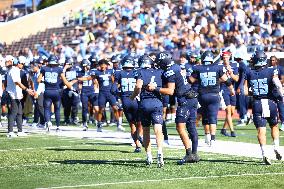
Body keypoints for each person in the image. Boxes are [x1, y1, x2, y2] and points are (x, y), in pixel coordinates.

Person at [148, 52, 200, 165]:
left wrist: (155, 88)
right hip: (192, 97)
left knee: (180, 127)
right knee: (191, 126)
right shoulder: (176, 66)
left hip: (185, 100)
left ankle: (189, 154)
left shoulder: (170, 71)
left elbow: (170, 91)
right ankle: (195, 154)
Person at [189, 51, 235, 147]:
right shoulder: (217, 67)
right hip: (214, 95)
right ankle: (213, 139)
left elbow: (190, 80)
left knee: (205, 116)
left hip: (202, 96)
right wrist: (231, 90)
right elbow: (227, 81)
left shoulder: (198, 68)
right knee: (213, 117)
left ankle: (207, 136)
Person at [244, 50, 282, 165]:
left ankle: (264, 153)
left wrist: (254, 93)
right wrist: (281, 95)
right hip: (270, 102)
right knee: (274, 126)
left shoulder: (249, 72)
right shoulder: (271, 70)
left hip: (257, 103)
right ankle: (276, 147)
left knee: (261, 130)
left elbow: (245, 92)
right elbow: (278, 84)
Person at [130, 55, 164, 167]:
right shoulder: (159, 71)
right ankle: (160, 152)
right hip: (157, 103)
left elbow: (138, 86)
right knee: (158, 129)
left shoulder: (140, 72)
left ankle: (149, 155)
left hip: (145, 103)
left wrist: (133, 96)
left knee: (146, 130)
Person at [37, 55, 73, 132]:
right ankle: (58, 126)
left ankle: (48, 122)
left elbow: (38, 80)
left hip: (47, 91)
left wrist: (45, 82)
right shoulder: (59, 69)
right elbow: (65, 81)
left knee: (47, 108)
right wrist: (72, 88)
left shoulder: (44, 68)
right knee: (57, 109)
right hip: (56, 92)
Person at [116, 56, 142, 152]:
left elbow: (113, 89)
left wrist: (119, 96)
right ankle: (140, 137)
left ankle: (137, 145)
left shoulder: (119, 73)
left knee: (132, 125)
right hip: (136, 99)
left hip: (125, 100)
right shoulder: (137, 72)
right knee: (140, 123)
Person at [5, 55, 34, 137]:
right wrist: (26, 89)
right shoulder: (14, 70)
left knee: (19, 112)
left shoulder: (15, 70)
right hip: (12, 95)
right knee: (13, 112)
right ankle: (10, 132)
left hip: (16, 94)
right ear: (18, 63)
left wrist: (20, 92)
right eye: (22, 64)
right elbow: (17, 82)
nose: (23, 66)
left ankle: (20, 131)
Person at [93, 59, 124, 132]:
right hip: (102, 93)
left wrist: (115, 89)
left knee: (115, 108)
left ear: (107, 65)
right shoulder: (97, 72)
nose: (103, 66)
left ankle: (119, 125)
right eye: (101, 64)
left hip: (110, 93)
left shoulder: (110, 71)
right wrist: (95, 89)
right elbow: (94, 81)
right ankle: (99, 125)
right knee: (101, 109)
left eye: (104, 64)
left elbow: (114, 81)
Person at [220, 51, 239, 137]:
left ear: (229, 57)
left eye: (227, 57)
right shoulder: (219, 67)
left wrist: (231, 74)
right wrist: (225, 78)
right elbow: (217, 80)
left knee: (231, 112)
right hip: (223, 90)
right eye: (224, 58)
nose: (225, 59)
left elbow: (236, 79)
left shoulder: (234, 66)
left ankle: (224, 129)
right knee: (228, 111)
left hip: (232, 90)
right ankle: (232, 131)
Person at [76, 59, 98, 131]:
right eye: (83, 66)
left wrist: (95, 90)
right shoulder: (80, 73)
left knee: (96, 107)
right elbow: (79, 84)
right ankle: (85, 123)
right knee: (85, 108)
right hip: (84, 92)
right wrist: (79, 89)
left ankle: (98, 121)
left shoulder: (92, 72)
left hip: (91, 91)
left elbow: (95, 82)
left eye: (86, 66)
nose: (85, 68)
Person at [62, 57, 80, 125]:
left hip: (75, 89)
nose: (68, 65)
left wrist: (72, 83)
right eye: (66, 64)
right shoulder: (63, 70)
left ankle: (74, 118)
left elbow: (79, 77)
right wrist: (64, 68)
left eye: (69, 64)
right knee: (67, 106)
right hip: (66, 89)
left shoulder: (77, 69)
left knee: (75, 105)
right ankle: (66, 119)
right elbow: (61, 77)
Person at [269, 55, 284, 131]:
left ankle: (283, 123)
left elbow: (282, 79)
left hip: (278, 91)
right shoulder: (268, 69)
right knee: (271, 109)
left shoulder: (280, 68)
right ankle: (274, 123)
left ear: (276, 61)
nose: (272, 62)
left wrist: (275, 81)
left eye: (273, 60)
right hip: (270, 92)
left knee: (281, 108)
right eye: (271, 60)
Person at [30, 59, 45, 128]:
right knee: (37, 107)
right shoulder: (36, 73)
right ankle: (36, 121)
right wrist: (31, 76)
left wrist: (37, 93)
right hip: (37, 91)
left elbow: (41, 84)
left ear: (37, 67)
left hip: (40, 91)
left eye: (33, 67)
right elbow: (35, 82)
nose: (32, 69)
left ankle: (43, 122)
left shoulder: (40, 73)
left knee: (40, 106)